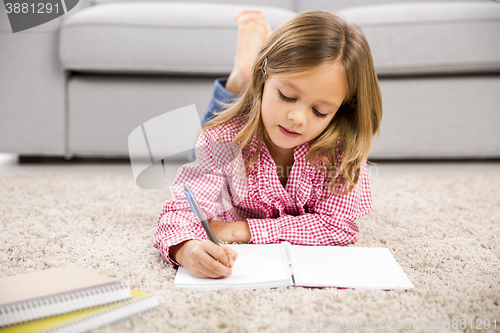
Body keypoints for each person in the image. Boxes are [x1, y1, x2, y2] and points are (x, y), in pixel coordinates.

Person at [154, 9, 382, 279]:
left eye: (320, 111)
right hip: (241, 125)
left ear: (341, 111)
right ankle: (243, 73)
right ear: (264, 79)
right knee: (213, 128)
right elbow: (181, 211)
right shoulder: (222, 138)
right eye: (286, 96)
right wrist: (185, 249)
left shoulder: (342, 150)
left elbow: (339, 226)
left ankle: (248, 75)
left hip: (256, 112)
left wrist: (241, 230)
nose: (297, 118)